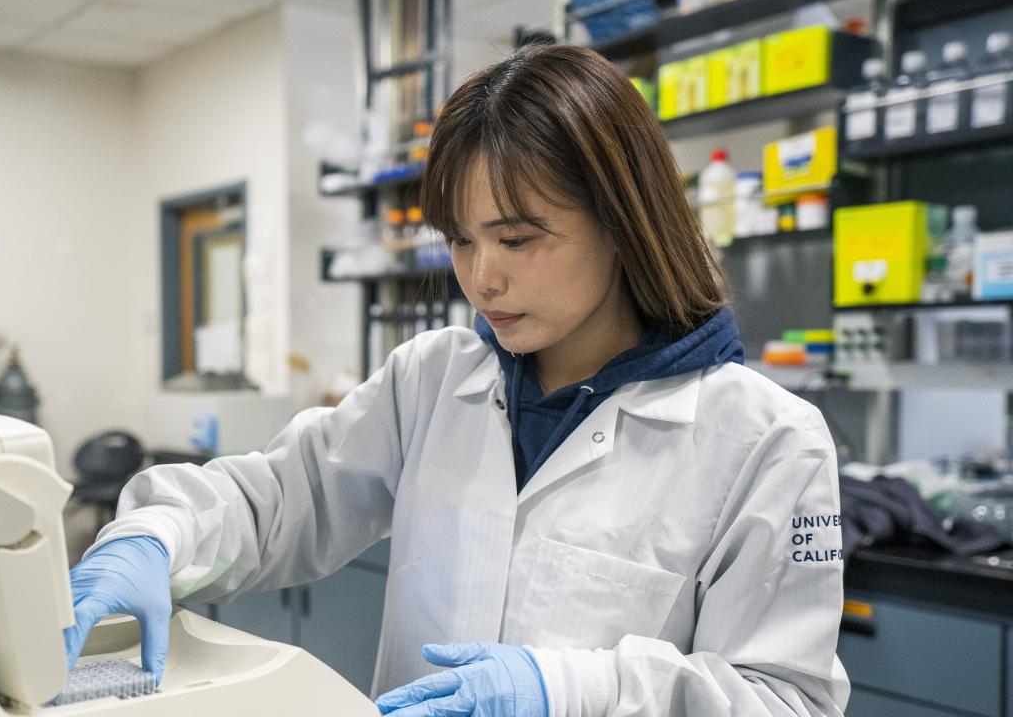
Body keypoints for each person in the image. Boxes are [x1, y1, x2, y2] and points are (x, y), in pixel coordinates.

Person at [64, 44, 849, 717]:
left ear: (623, 220)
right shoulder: (433, 380)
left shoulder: (765, 441)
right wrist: (153, 536)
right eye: (462, 241)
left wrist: (574, 689)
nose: (482, 279)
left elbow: (786, 700)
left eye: (516, 238)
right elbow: (277, 501)